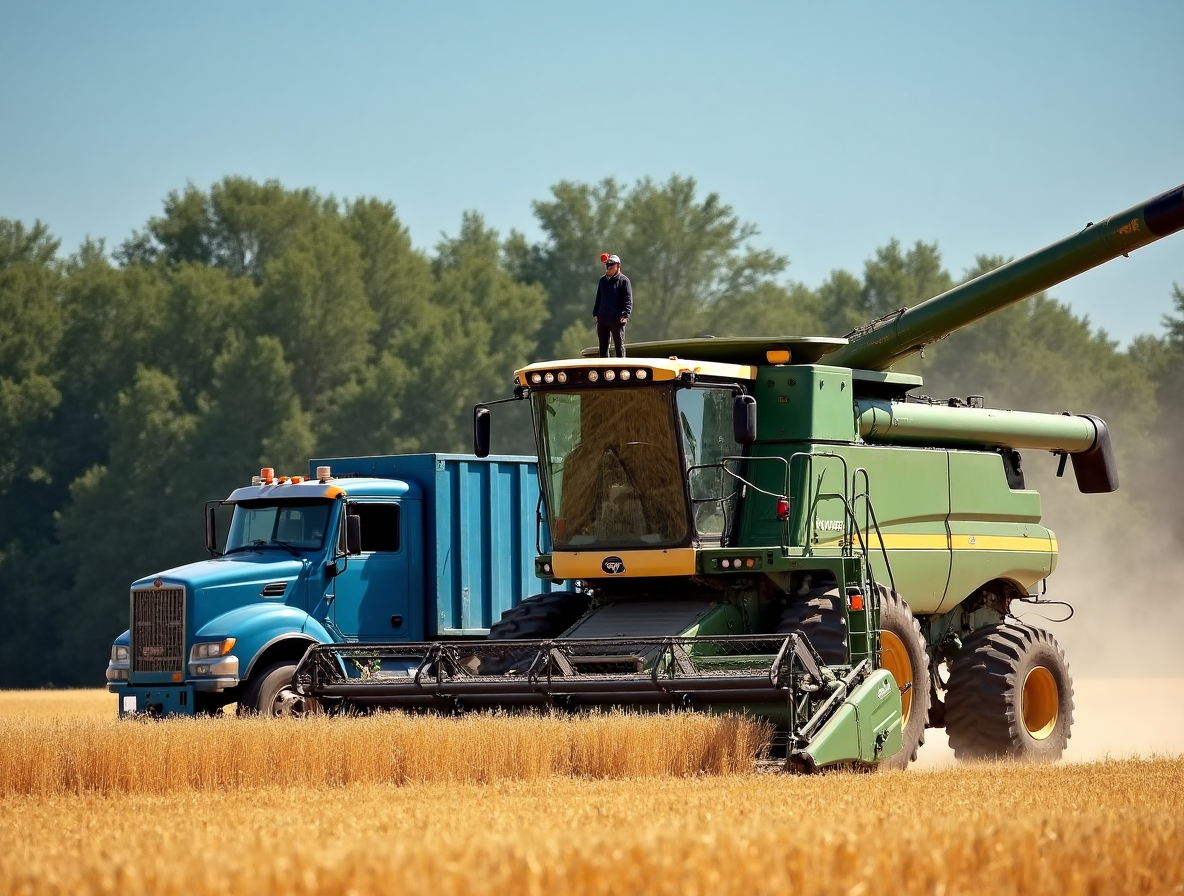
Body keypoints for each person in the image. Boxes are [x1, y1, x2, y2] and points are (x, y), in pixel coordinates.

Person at [593, 254, 632, 358]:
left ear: (618, 266)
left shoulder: (624, 281)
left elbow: (628, 300)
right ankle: (605, 371)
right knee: (603, 347)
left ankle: (622, 370)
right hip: (603, 319)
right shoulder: (602, 281)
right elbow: (599, 298)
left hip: (617, 319)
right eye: (607, 264)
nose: (608, 267)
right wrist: (595, 312)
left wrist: (625, 314)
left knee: (619, 346)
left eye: (611, 264)